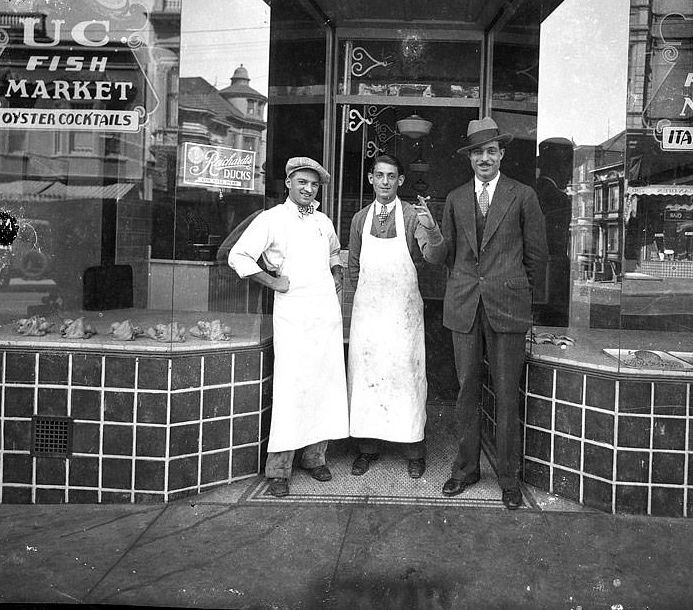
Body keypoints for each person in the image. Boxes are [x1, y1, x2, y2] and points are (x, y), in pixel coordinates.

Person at [436, 117, 548, 510]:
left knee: (505, 393)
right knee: (467, 390)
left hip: (509, 305)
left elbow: (537, 256)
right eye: (477, 152)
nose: (484, 158)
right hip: (465, 305)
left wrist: (530, 305)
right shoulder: (454, 199)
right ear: (469, 158)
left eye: (491, 151)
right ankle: (466, 470)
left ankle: (508, 477)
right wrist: (428, 239)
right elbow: (444, 256)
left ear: (501, 154)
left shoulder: (522, 195)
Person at [227, 157, 349, 497]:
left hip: (324, 313)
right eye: (302, 183)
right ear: (288, 183)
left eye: (314, 184)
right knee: (291, 387)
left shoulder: (323, 220)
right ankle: (278, 469)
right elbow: (238, 256)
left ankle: (314, 457)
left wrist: (336, 273)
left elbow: (335, 252)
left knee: (322, 384)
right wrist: (273, 282)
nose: (308, 189)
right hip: (293, 313)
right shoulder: (271, 219)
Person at [346, 154, 445, 479]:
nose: (385, 181)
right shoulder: (360, 219)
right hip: (370, 315)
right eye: (379, 175)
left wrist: (431, 229)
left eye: (391, 176)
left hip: (403, 316)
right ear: (371, 179)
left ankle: (414, 450)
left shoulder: (412, 217)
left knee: (406, 378)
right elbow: (355, 266)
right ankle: (367, 449)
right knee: (368, 378)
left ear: (400, 180)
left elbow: (433, 257)